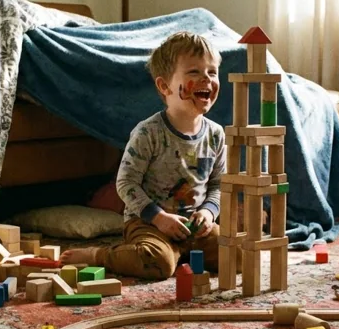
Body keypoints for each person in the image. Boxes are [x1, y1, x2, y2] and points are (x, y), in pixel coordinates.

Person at [61, 31, 228, 279]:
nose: (206, 79)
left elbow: (218, 184)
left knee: (239, 257)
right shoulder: (148, 132)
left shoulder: (215, 134)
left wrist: (208, 213)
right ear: (164, 86)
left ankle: (181, 254)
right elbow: (126, 183)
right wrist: (158, 218)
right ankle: (99, 255)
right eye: (194, 72)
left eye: (212, 72)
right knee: (157, 264)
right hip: (150, 224)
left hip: (194, 227)